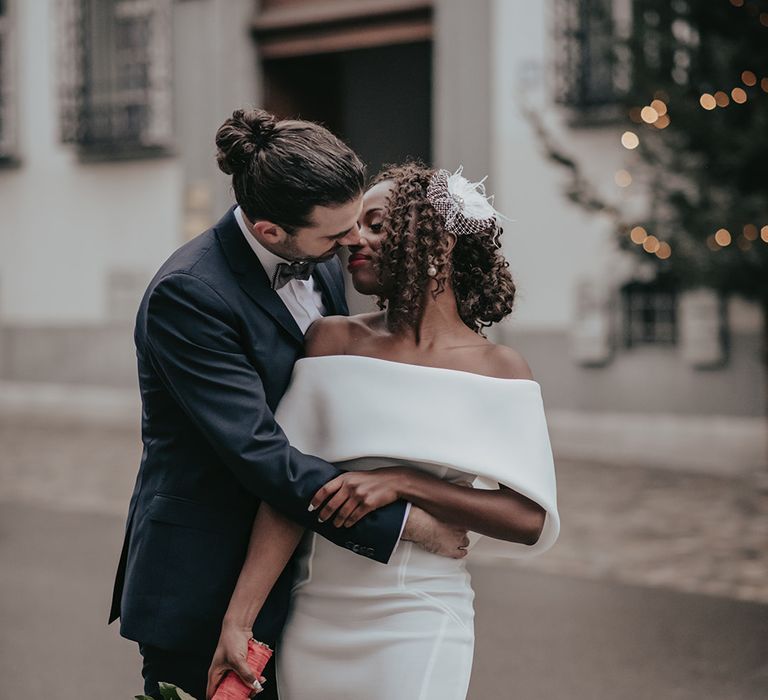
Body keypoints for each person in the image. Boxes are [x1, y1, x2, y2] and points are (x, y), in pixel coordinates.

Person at [107, 112, 467, 700]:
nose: (352, 244)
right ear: (271, 231)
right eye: (335, 235)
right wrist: (404, 522)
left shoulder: (323, 260)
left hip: (301, 569)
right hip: (207, 575)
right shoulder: (189, 294)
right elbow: (258, 450)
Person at [207, 162, 560, 700]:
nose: (354, 239)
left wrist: (403, 481)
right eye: (353, 227)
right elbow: (283, 494)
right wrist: (240, 620)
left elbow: (529, 518)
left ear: (435, 242)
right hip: (317, 613)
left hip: (419, 615)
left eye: (376, 224)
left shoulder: (500, 369)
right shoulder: (331, 340)